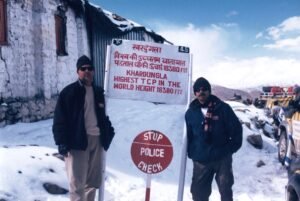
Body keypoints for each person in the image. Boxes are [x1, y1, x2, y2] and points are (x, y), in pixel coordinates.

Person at [52, 55, 115, 201]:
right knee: (77, 184)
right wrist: (61, 141)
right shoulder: (69, 93)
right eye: (83, 68)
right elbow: (59, 119)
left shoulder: (99, 92)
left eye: (90, 68)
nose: (87, 71)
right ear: (77, 72)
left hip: (97, 141)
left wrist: (109, 132)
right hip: (77, 142)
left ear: (93, 71)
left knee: (92, 182)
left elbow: (102, 117)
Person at [185, 77, 242, 201]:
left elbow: (237, 130)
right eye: (198, 90)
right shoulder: (190, 113)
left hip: (222, 158)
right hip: (201, 160)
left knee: (226, 191)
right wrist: (193, 152)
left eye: (204, 89)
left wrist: (229, 150)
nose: (201, 92)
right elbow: (188, 136)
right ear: (195, 93)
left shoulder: (223, 109)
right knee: (198, 194)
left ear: (209, 91)